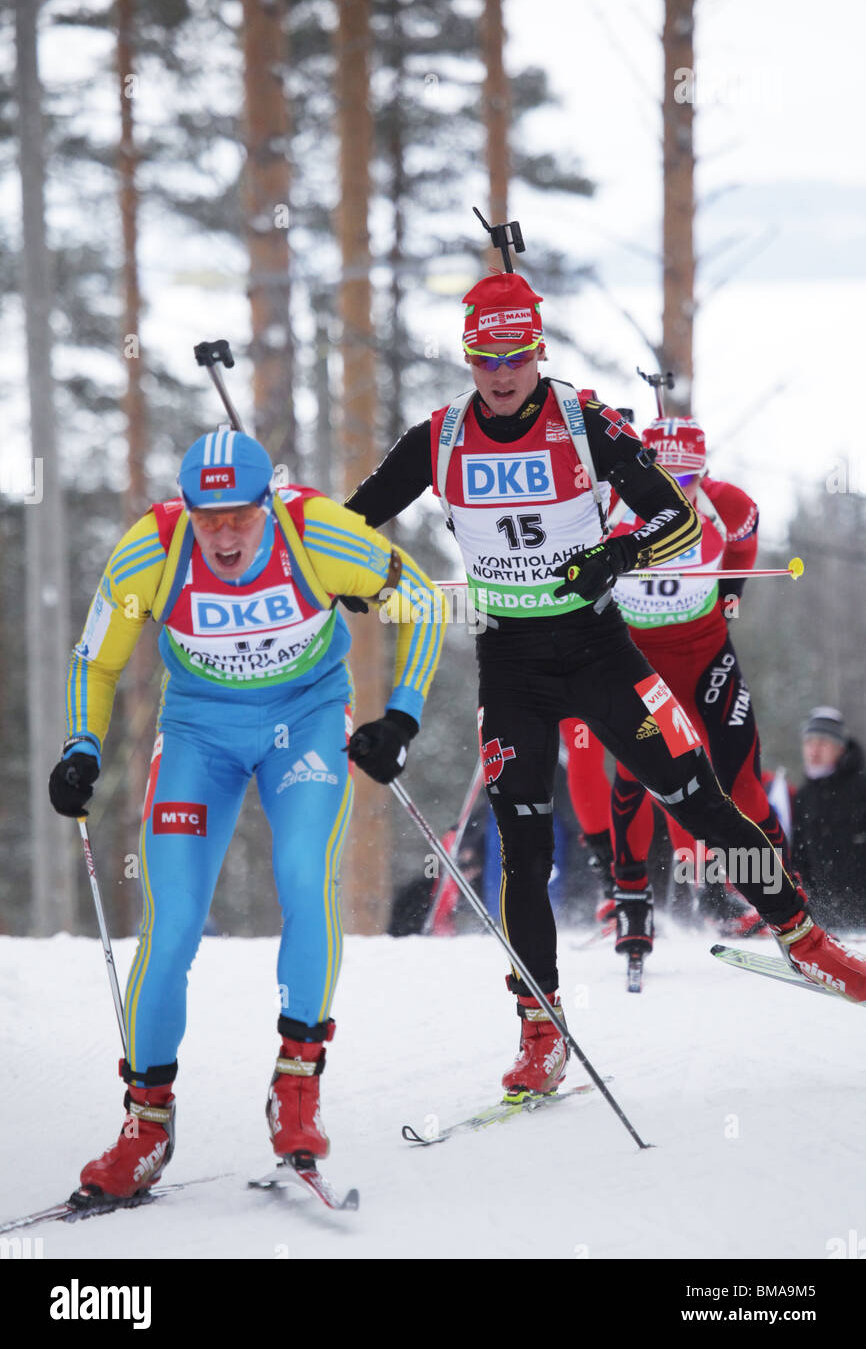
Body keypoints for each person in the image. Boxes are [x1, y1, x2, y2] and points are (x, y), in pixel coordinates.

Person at [344, 268, 866, 1098]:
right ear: (471, 357)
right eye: (487, 356)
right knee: (520, 849)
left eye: (517, 355)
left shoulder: (584, 423)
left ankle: (809, 943)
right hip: (511, 663)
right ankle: (540, 1028)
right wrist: (349, 571)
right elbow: (350, 521)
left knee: (699, 800)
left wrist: (616, 555)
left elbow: (677, 517)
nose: (503, 372)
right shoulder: (440, 440)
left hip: (600, 655)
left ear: (537, 353)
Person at [48, 427, 446, 1203]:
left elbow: (425, 604)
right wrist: (82, 747)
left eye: (239, 514)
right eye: (208, 517)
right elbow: (95, 658)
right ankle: (146, 1124)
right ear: (186, 509)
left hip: (305, 720)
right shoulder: (151, 550)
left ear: (268, 502)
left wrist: (399, 718)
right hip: (200, 733)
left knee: (304, 876)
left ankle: (296, 1088)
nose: (224, 534)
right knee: (173, 925)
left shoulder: (319, 532)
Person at [599, 418, 791, 950]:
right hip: (637, 663)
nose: (677, 490)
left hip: (706, 658)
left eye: (687, 479)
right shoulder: (609, 505)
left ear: (704, 473)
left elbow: (744, 548)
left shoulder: (729, 505)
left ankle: (777, 893)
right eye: (664, 476)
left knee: (741, 781)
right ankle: (632, 898)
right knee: (634, 778)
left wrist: (731, 593)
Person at [793, 708, 866, 932]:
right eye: (809, 742)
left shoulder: (860, 787)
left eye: (823, 743)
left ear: (840, 747)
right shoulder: (804, 794)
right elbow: (799, 856)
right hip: (825, 918)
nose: (814, 750)